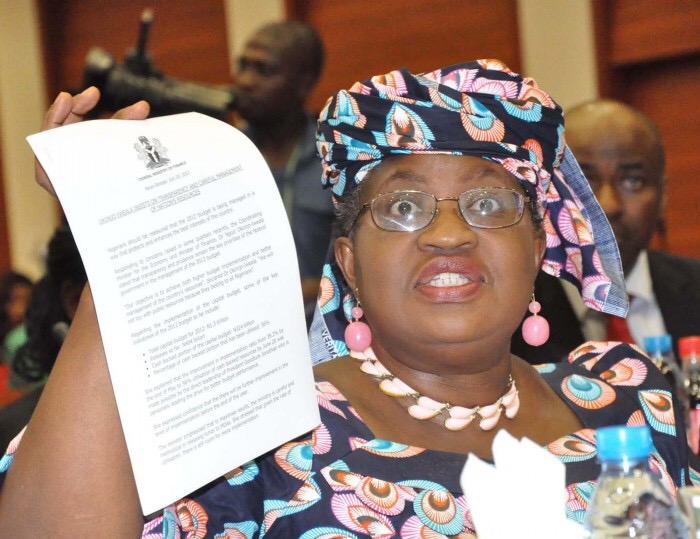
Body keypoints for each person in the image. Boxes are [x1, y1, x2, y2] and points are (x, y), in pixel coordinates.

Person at [0, 61, 691, 537]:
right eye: (402, 208)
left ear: (538, 248)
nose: (448, 234)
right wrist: (114, 233)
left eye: (487, 203)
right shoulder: (265, 434)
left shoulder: (629, 398)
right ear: (349, 263)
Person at [512, 99, 700, 364]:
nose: (609, 206)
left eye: (633, 181)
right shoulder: (510, 310)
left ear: (663, 197)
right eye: (582, 181)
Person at [232, 21, 335, 322]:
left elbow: (366, 263)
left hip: (326, 329)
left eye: (264, 70)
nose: (245, 81)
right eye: (243, 66)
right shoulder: (223, 157)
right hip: (246, 326)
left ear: (303, 84)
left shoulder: (336, 158)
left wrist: (311, 290)